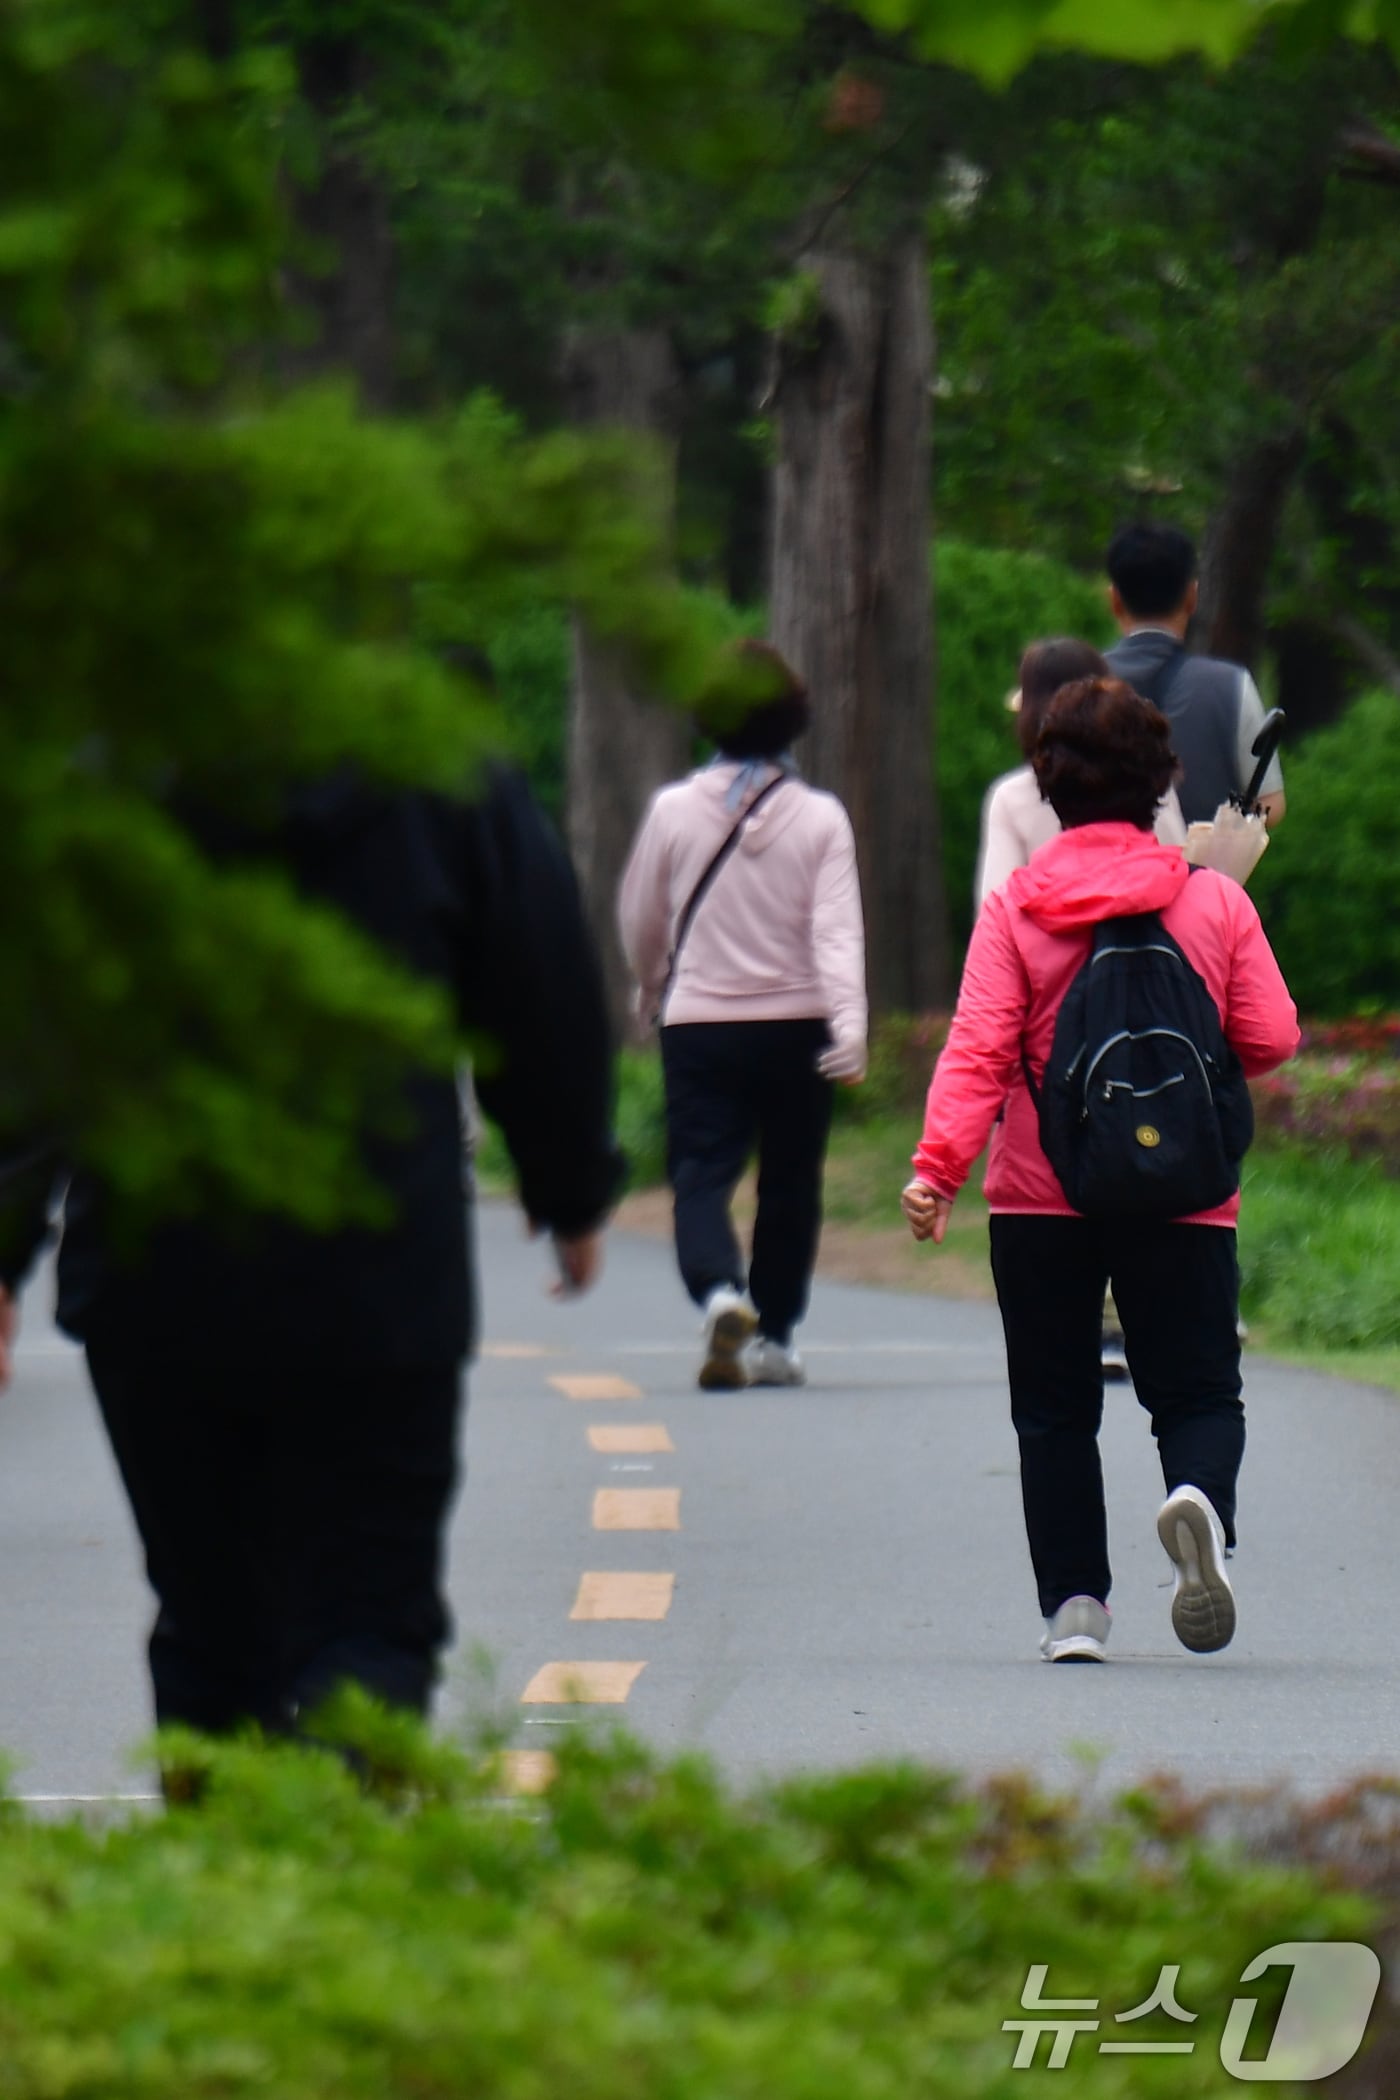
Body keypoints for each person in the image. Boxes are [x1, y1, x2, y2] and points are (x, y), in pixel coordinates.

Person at [0, 755, 622, 1739]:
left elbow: (36, 1020)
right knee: (372, 1618)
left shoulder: (112, 753)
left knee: (209, 1624)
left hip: (156, 1261)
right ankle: (344, 1858)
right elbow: (536, 973)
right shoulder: (436, 762)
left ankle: (224, 1876)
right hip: (377, 1267)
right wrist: (569, 1183)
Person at [902, 677, 1298, 1665]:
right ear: (1160, 781)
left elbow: (978, 1051)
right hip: (1186, 1194)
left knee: (1052, 1408)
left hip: (1042, 1194)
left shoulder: (1015, 910)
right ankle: (1197, 1500)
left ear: (1046, 785)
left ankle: (1074, 1609)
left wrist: (935, 1168)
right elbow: (1271, 1036)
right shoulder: (1209, 900)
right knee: (1198, 1392)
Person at [618, 641, 866, 1391]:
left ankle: (720, 1292)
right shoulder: (821, 817)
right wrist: (850, 1025)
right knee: (791, 1180)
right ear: (794, 722)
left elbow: (641, 915)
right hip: (799, 1023)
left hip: (699, 1023)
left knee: (700, 1170)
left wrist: (650, 981)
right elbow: (836, 929)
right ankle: (777, 1335)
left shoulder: (671, 810)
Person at [977, 637, 1187, 1380]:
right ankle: (1146, 1311)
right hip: (1142, 1003)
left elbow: (994, 903)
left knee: (1057, 1162)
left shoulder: (1013, 797)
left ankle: (1092, 1319)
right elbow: (1176, 878)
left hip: (1049, 1019)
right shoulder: (1148, 791)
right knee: (1145, 1143)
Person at [975, 636, 1187, 909]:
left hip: (1047, 946)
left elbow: (994, 906)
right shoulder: (1145, 780)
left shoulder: (1010, 797)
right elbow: (1179, 869)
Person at [1104, 523, 1285, 828]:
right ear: (1191, 597)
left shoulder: (1077, 680)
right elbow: (1271, 804)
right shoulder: (1230, 684)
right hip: (1200, 873)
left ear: (1114, 600)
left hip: (1100, 874)